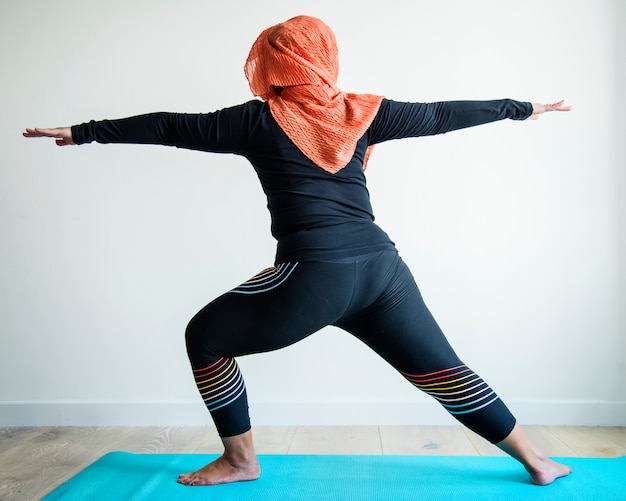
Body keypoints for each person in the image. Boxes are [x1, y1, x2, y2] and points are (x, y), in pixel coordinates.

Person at [24, 15, 572, 488]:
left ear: (275, 64)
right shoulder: (365, 111)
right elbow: (440, 115)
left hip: (315, 274)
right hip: (383, 270)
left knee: (205, 335)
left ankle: (240, 460)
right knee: (444, 371)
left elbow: (172, 126)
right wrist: (523, 108)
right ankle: (538, 460)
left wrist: (85, 131)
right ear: (324, 58)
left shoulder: (256, 120)